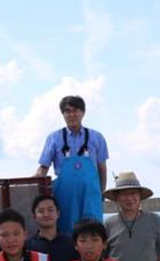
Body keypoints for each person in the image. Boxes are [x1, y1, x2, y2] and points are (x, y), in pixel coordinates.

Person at [34, 96, 109, 234]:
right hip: (65, 197)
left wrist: (101, 193)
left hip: (91, 196)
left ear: (83, 112)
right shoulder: (54, 138)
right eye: (67, 111)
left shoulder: (97, 137)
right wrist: (32, 183)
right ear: (62, 114)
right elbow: (43, 168)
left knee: (93, 231)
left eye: (76, 110)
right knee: (66, 232)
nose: (72, 115)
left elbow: (102, 169)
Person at [26, 194, 79, 261]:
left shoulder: (71, 242)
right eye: (41, 211)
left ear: (57, 213)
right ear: (34, 216)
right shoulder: (28, 246)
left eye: (50, 210)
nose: (46, 214)